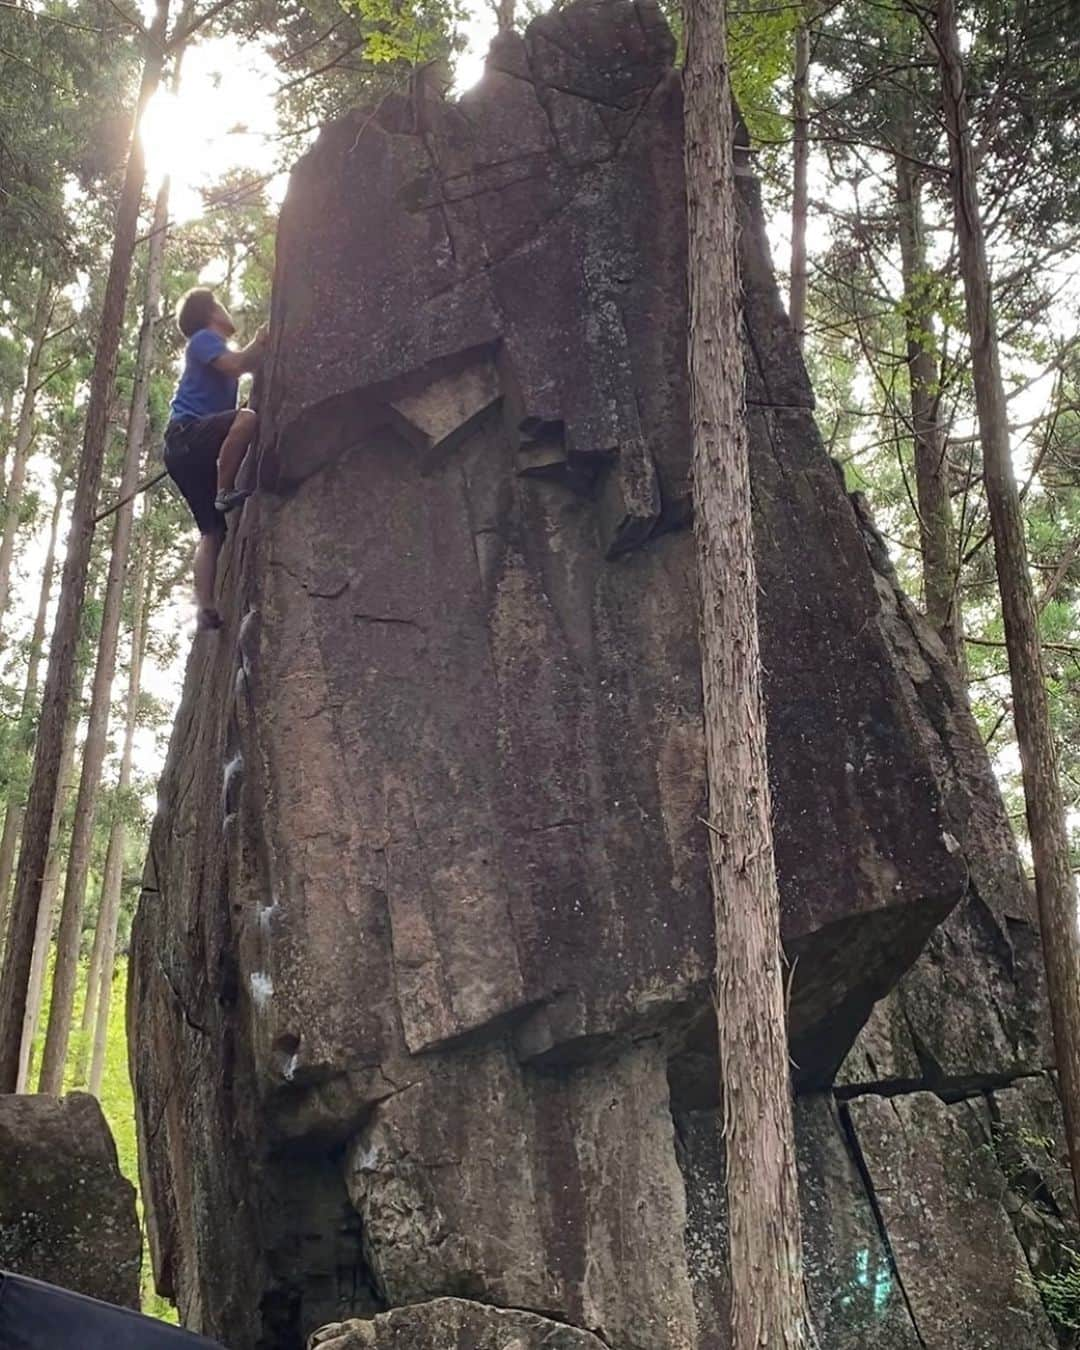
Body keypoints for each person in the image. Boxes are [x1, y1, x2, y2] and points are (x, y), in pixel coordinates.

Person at [164, 287, 267, 631]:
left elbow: (239, 367)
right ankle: (224, 492)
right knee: (247, 419)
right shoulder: (204, 339)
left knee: (212, 531)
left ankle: (205, 606)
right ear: (211, 313)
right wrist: (262, 339)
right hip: (188, 435)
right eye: (222, 305)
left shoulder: (208, 346)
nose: (228, 311)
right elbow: (238, 365)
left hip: (183, 451)